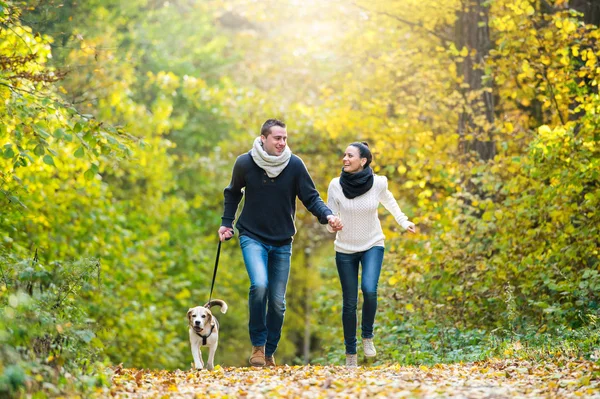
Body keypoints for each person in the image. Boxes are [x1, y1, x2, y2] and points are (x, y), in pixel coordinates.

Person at [218, 119, 343, 367]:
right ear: (263, 138)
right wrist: (226, 222)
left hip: (282, 241)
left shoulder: (294, 165)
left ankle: (269, 351)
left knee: (277, 301)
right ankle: (257, 345)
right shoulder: (245, 163)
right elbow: (233, 192)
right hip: (252, 236)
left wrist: (327, 214)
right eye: (277, 138)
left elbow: (310, 197)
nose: (282, 142)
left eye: (285, 138)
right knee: (260, 285)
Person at [326, 142, 416, 368]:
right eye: (344, 155)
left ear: (363, 160)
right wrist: (331, 225)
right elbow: (329, 216)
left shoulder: (378, 183)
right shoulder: (335, 185)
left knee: (369, 288)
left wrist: (404, 221)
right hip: (345, 248)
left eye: (350, 155)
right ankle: (350, 353)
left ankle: (367, 336)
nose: (344, 159)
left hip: (372, 244)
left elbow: (391, 203)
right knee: (349, 302)